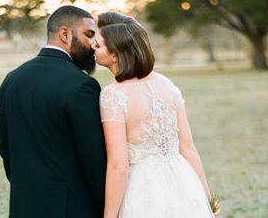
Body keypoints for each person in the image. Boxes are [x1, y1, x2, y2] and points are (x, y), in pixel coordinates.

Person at [92, 12, 217, 218]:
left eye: (98, 45)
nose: (92, 49)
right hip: (183, 184)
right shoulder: (167, 85)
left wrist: (109, 216)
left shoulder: (113, 95)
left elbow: (118, 166)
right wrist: (207, 201)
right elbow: (188, 147)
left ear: (114, 54)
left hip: (144, 192)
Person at [0, 5, 106, 218]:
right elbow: (94, 160)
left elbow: (6, 149)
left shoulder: (12, 79)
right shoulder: (82, 85)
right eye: (89, 35)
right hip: (71, 209)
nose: (94, 44)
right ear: (65, 34)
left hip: (23, 205)